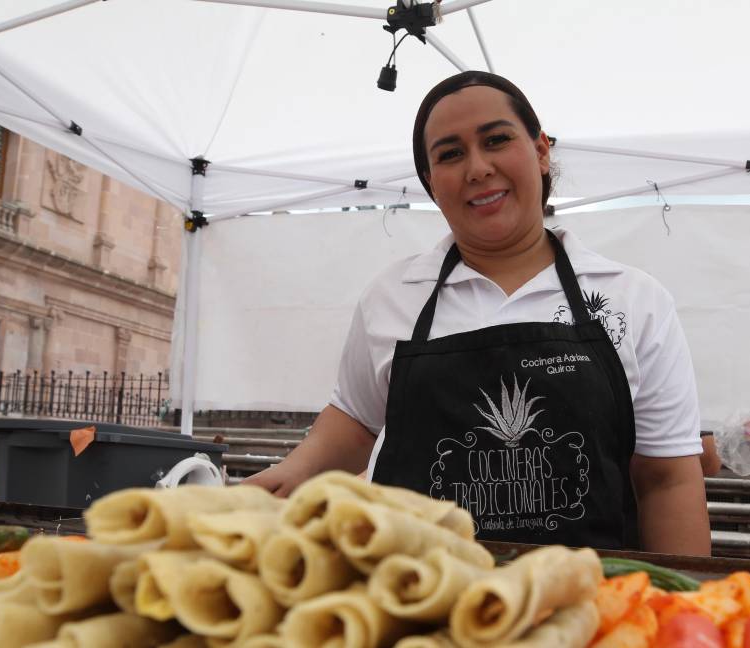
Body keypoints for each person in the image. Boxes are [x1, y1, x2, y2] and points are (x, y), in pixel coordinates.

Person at [246, 71, 710, 555]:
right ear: (430, 182)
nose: (478, 167)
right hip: (414, 602)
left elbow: (666, 480)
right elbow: (356, 421)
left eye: (497, 139)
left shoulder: (634, 300)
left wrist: (684, 612)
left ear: (541, 151)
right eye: (450, 154)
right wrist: (293, 472)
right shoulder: (393, 297)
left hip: (588, 610)